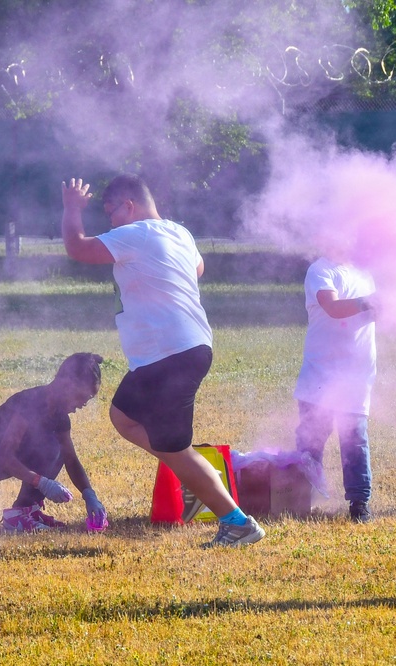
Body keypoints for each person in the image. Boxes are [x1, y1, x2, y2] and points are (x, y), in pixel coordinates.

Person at [60, 174, 264, 547]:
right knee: (123, 416)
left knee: (175, 450)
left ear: (130, 206)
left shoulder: (136, 233)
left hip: (171, 354)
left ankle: (238, 522)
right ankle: (187, 466)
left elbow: (77, 247)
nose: (111, 224)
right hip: (182, 349)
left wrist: (72, 208)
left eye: (111, 214)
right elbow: (198, 268)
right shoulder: (178, 233)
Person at [0, 353, 108, 532]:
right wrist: (42, 483)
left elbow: (71, 459)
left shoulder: (60, 417)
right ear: (67, 384)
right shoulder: (31, 403)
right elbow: (5, 456)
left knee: (59, 446)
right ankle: (17, 516)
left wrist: (90, 495)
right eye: (83, 396)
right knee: (49, 445)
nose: (84, 403)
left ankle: (28, 510)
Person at [294, 257, 377, 523]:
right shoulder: (320, 270)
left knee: (355, 439)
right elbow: (332, 307)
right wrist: (370, 301)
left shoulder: (365, 271)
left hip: (356, 373)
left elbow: (379, 315)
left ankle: (359, 502)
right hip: (321, 371)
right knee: (312, 437)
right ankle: (300, 497)